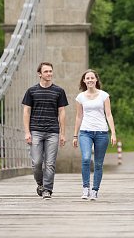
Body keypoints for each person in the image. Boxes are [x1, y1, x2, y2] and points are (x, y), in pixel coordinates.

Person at [22, 62, 69, 200]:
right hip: (36, 130)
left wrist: (63, 133)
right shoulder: (31, 91)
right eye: (46, 71)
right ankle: (40, 184)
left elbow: (62, 112)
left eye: (50, 71)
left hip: (53, 131)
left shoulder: (59, 91)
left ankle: (47, 189)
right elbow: (26, 111)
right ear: (40, 74)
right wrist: (27, 132)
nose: (49, 73)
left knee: (50, 163)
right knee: (36, 162)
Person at [72, 69, 117, 200]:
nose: (90, 80)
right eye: (88, 78)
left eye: (92, 78)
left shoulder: (104, 95)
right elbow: (79, 117)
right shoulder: (80, 98)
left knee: (98, 164)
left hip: (102, 133)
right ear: (84, 81)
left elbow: (109, 114)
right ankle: (85, 188)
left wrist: (113, 133)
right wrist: (75, 135)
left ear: (96, 80)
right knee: (86, 158)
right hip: (85, 132)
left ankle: (95, 190)